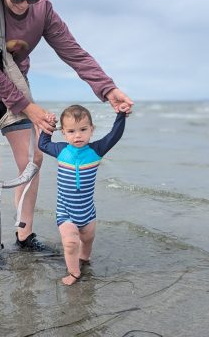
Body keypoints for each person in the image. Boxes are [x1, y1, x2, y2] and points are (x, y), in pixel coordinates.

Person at [0, 0, 133, 266]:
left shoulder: (43, 10)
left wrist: (108, 89)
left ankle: (24, 235)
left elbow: (73, 52)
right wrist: (30, 108)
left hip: (17, 89)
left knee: (33, 158)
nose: (25, 5)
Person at [38, 105, 126, 285]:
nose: (77, 135)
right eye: (71, 131)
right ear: (63, 133)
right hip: (66, 212)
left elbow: (114, 135)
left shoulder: (96, 150)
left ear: (91, 130)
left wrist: (121, 115)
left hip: (87, 211)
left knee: (87, 240)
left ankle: (84, 259)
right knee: (70, 244)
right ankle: (74, 272)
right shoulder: (61, 150)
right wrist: (48, 126)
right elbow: (43, 144)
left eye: (83, 130)